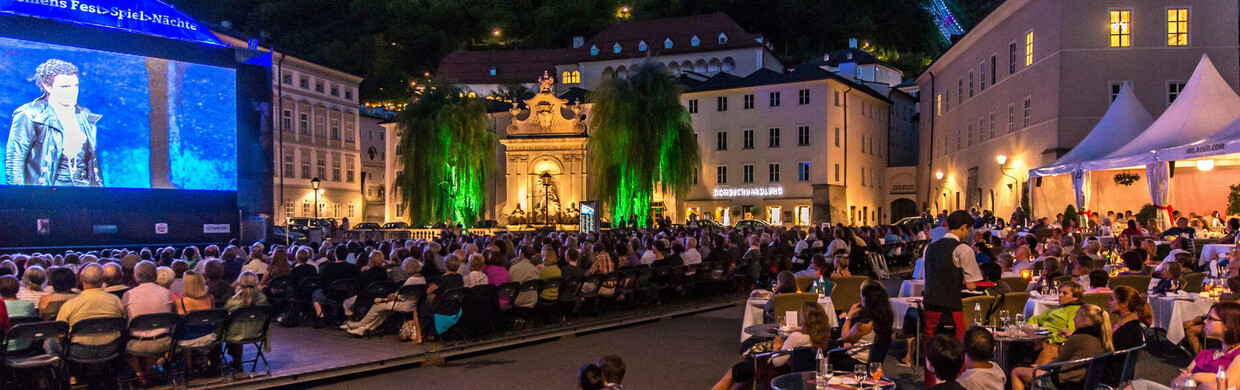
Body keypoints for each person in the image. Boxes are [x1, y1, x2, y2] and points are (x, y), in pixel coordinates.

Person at [6, 59, 103, 187]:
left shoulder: (84, 114)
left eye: (75, 85)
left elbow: (93, 165)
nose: (73, 91)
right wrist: (21, 199)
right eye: (65, 87)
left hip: (84, 193)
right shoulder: (29, 114)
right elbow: (15, 161)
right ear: (48, 86)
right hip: (48, 195)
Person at [922, 210, 983, 386]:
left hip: (930, 306)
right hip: (951, 307)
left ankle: (931, 386)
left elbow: (927, 278)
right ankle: (956, 386)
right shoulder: (963, 249)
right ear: (963, 227)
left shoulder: (930, 247)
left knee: (931, 351)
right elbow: (972, 284)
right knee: (956, 351)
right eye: (969, 229)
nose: (969, 233)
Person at [712, 302, 832, 390]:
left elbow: (777, 362)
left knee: (732, 373)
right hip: (802, 374)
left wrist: (776, 346)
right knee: (746, 376)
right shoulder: (823, 337)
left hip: (777, 369)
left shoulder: (796, 338)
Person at [1126, 302, 1240, 390]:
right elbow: (1175, 383)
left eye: (1211, 318)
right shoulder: (1207, 353)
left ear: (1227, 325)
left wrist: (1196, 377)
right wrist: (1208, 379)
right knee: (1137, 386)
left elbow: (1222, 387)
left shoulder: (1237, 354)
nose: (1205, 321)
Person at [1012, 303, 1113, 390]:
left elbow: (1058, 363)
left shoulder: (1078, 337)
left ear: (1085, 321)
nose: (1074, 320)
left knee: (1017, 372)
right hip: (1090, 383)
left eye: (1076, 317)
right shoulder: (1104, 337)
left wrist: (1039, 367)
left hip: (1067, 383)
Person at [48, 264, 124, 359]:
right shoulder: (116, 300)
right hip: (111, 348)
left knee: (50, 341)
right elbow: (123, 322)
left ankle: (64, 371)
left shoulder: (70, 305)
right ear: (102, 280)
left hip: (79, 351)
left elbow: (59, 335)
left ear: (81, 278)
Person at [122, 261, 175, 386]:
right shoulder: (167, 293)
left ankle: (141, 373)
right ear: (155, 275)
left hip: (136, 344)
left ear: (136, 277)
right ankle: (148, 372)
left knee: (121, 344)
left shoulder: (128, 295)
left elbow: (125, 318)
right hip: (164, 343)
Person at [830, 281, 893, 369]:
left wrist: (849, 315)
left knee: (822, 348)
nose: (860, 300)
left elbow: (844, 337)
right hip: (868, 358)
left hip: (855, 361)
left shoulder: (864, 325)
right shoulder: (885, 319)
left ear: (868, 300)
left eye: (862, 298)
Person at [1026, 281, 1084, 363]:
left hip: (1051, 343)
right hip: (1037, 337)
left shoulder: (1075, 311)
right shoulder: (1057, 309)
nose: (1060, 295)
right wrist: (1032, 330)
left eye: (1065, 293)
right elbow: (1035, 319)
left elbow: (1071, 333)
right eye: (1059, 292)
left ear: (1076, 297)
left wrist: (1048, 340)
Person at [223, 271, 267, 373]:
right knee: (239, 326)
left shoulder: (233, 302)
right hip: (258, 332)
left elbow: (225, 316)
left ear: (239, 283)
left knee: (230, 328)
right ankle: (236, 361)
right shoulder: (263, 299)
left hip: (236, 334)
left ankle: (230, 362)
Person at [1184, 276, 1240, 355]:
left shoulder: (1228, 299)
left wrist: (1194, 321)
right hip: (1228, 324)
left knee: (1191, 330)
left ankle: (1200, 356)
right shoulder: (1233, 298)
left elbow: (1215, 316)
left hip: (1227, 325)